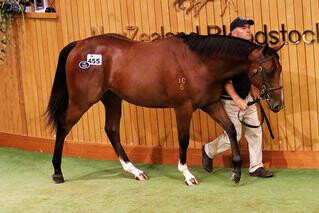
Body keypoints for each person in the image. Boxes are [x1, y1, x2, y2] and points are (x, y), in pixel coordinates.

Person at [202, 17, 273, 178]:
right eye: (243, 28)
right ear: (233, 32)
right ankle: (208, 150)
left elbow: (253, 72)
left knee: (255, 132)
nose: (248, 30)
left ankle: (256, 167)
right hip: (230, 100)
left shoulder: (250, 51)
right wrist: (236, 98)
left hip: (247, 97)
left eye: (248, 27)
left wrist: (253, 88)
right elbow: (225, 78)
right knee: (231, 138)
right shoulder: (226, 51)